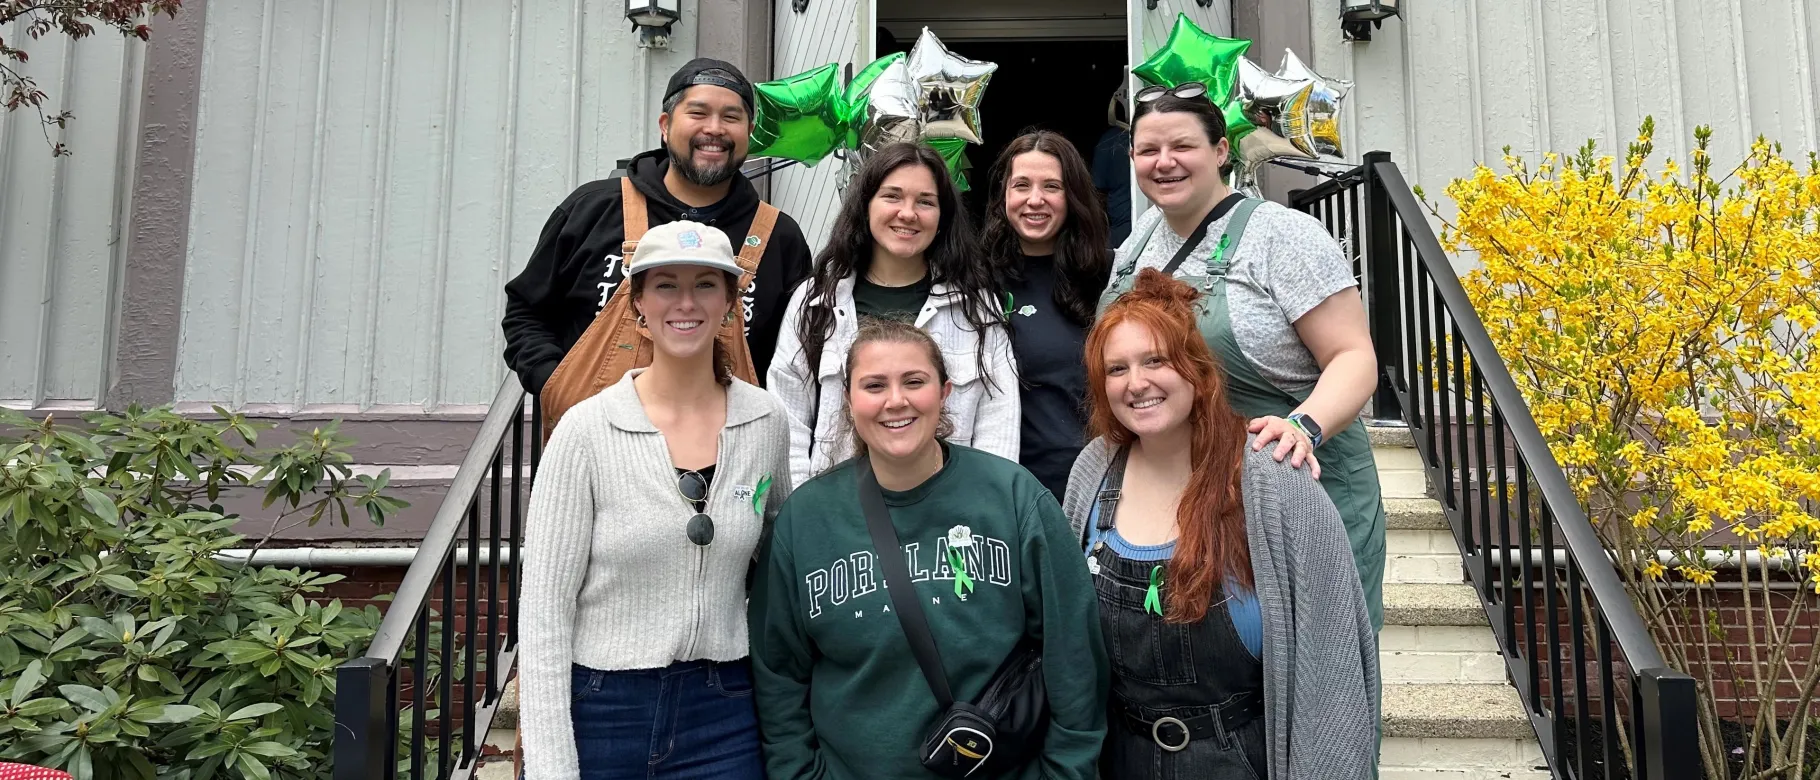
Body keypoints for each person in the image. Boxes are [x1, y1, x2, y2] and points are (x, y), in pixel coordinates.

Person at [749, 317, 1109, 780]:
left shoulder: (1012, 497)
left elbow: (1074, 652)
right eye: (874, 385)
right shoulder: (806, 519)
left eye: (914, 381)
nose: (895, 400)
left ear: (944, 392)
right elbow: (778, 672)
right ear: (848, 400)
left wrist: (1064, 772)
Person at [1065, 268, 1378, 778]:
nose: (1136, 383)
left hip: (1241, 760)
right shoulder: (1093, 470)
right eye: (1116, 369)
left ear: (1195, 369)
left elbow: (1333, 668)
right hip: (1120, 758)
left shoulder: (1272, 477)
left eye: (1155, 361)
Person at [1104, 82, 1389, 631]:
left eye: (1182, 146)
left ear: (1219, 152)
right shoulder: (1139, 241)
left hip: (1300, 491)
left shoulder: (1283, 236)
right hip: (1195, 499)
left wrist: (1305, 426)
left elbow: (1355, 357)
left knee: (1318, 678)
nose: (1164, 162)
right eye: (1148, 150)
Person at [517, 220, 794, 780]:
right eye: (665, 285)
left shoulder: (766, 422)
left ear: (730, 302)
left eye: (705, 285)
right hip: (603, 707)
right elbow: (544, 613)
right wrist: (550, 766)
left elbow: (784, 560)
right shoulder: (587, 431)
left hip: (726, 707)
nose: (685, 303)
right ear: (638, 302)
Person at [502, 57, 813, 396]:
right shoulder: (593, 209)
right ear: (665, 125)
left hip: (724, 442)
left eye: (731, 117)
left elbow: (795, 355)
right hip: (592, 438)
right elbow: (526, 311)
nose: (714, 128)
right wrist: (553, 382)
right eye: (697, 113)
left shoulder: (780, 238)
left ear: (749, 132)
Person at [768, 141, 1018, 488]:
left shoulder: (976, 310)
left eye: (925, 202)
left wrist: (985, 507)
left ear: (943, 216)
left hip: (950, 522)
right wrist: (802, 509)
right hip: (837, 513)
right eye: (892, 196)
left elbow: (998, 427)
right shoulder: (816, 302)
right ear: (865, 205)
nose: (908, 213)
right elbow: (787, 418)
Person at [980, 131, 1111, 500]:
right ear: (1004, 194)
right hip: (1006, 490)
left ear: (1072, 196)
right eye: (1021, 185)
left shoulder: (1108, 276)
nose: (1034, 200)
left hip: (1100, 487)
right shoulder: (975, 280)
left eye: (1051, 186)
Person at [1091, 81, 1133, 248]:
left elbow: (1096, 192)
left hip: (1120, 230)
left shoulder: (1110, 139)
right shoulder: (1111, 139)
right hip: (1121, 228)